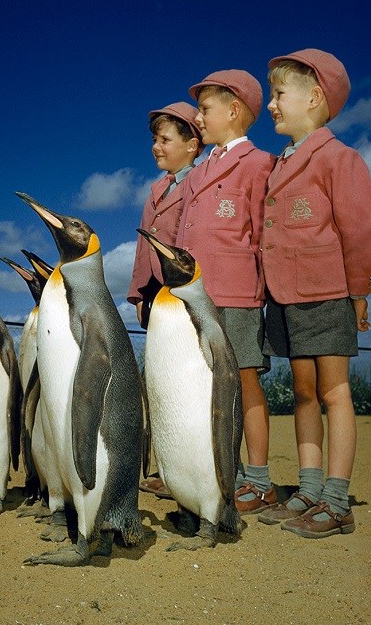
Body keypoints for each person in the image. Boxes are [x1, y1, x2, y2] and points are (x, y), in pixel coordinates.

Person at [257, 49, 371, 538]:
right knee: (303, 393)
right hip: (284, 297)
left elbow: (359, 231)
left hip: (327, 292)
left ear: (315, 97)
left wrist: (360, 293)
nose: (272, 106)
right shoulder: (278, 165)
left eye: (279, 94)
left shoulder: (340, 159)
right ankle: (307, 489)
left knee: (334, 391)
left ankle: (337, 498)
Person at [175, 69, 277, 514]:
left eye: (205, 109)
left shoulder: (260, 163)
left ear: (234, 110)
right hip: (193, 296)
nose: (198, 117)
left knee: (245, 381)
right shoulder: (196, 174)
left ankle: (258, 480)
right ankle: (221, 472)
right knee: (203, 384)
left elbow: (265, 233)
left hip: (237, 294)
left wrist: (267, 292)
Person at [128, 101, 204, 498]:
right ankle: (167, 466)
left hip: (183, 293)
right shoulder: (156, 190)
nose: (156, 147)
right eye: (155, 140)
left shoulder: (201, 184)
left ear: (193, 144)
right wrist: (138, 291)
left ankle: (198, 467)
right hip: (157, 297)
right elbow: (144, 248)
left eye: (165, 139)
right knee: (160, 383)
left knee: (189, 383)